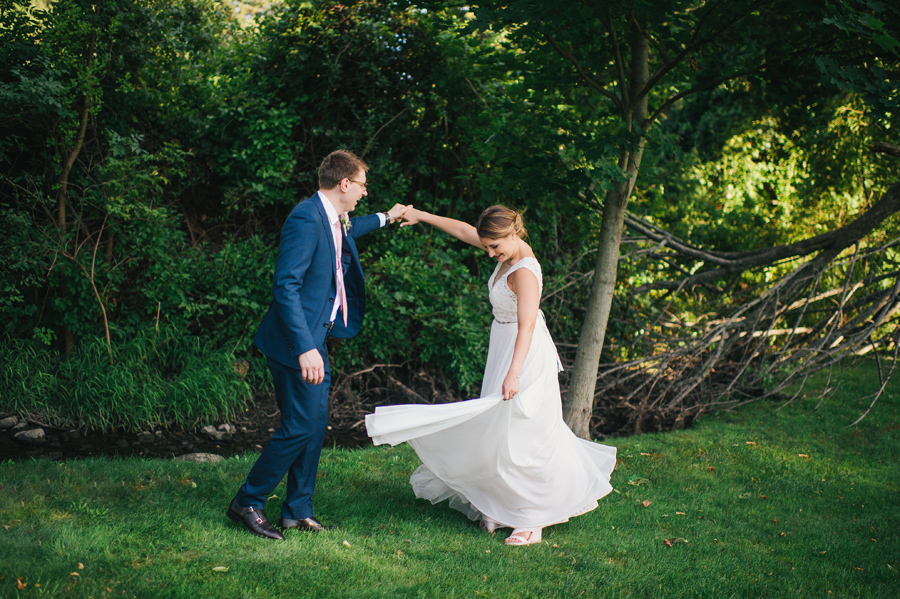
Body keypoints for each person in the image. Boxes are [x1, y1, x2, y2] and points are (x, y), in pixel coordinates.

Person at [365, 205, 617, 545]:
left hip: (523, 354)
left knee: (526, 434)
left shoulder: (525, 271)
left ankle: (533, 518)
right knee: (500, 429)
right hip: (503, 344)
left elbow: (527, 326)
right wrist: (420, 215)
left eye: (494, 247)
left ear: (513, 234)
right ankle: (503, 504)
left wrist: (513, 374)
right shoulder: (504, 250)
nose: (489, 253)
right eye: (487, 246)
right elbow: (464, 231)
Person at [228, 149, 410, 540]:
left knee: (312, 427)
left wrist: (387, 217)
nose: (365, 192)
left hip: (315, 339)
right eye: (362, 185)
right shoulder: (305, 218)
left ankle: (297, 510)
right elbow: (285, 285)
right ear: (345, 183)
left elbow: (350, 230)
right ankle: (248, 500)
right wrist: (305, 347)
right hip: (296, 344)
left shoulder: (332, 217)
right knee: (299, 426)